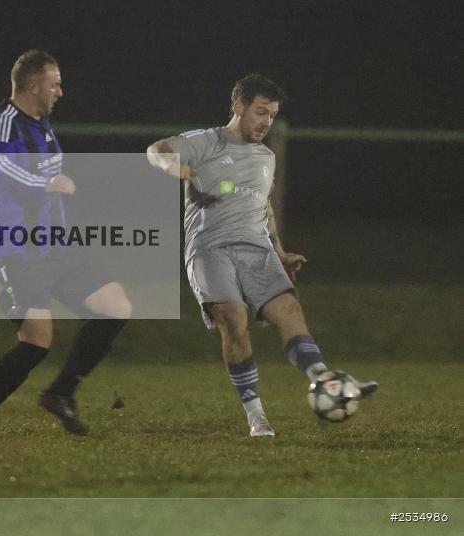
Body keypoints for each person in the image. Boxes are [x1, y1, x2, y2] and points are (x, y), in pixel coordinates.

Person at [146, 73, 377, 437]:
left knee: (289, 312)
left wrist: (280, 252)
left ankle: (328, 383)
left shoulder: (266, 158)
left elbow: (263, 206)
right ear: (237, 107)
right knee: (235, 321)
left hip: (257, 249)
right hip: (209, 250)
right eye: (260, 112)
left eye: (271, 115)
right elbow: (155, 149)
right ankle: (257, 417)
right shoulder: (206, 141)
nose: (266, 122)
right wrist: (170, 166)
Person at [0, 50, 132, 437]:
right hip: (18, 248)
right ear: (32, 85)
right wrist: (45, 183)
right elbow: (0, 168)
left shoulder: (43, 124)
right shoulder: (3, 123)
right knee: (36, 342)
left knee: (115, 307)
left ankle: (61, 393)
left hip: (57, 248)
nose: (61, 91)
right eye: (54, 83)